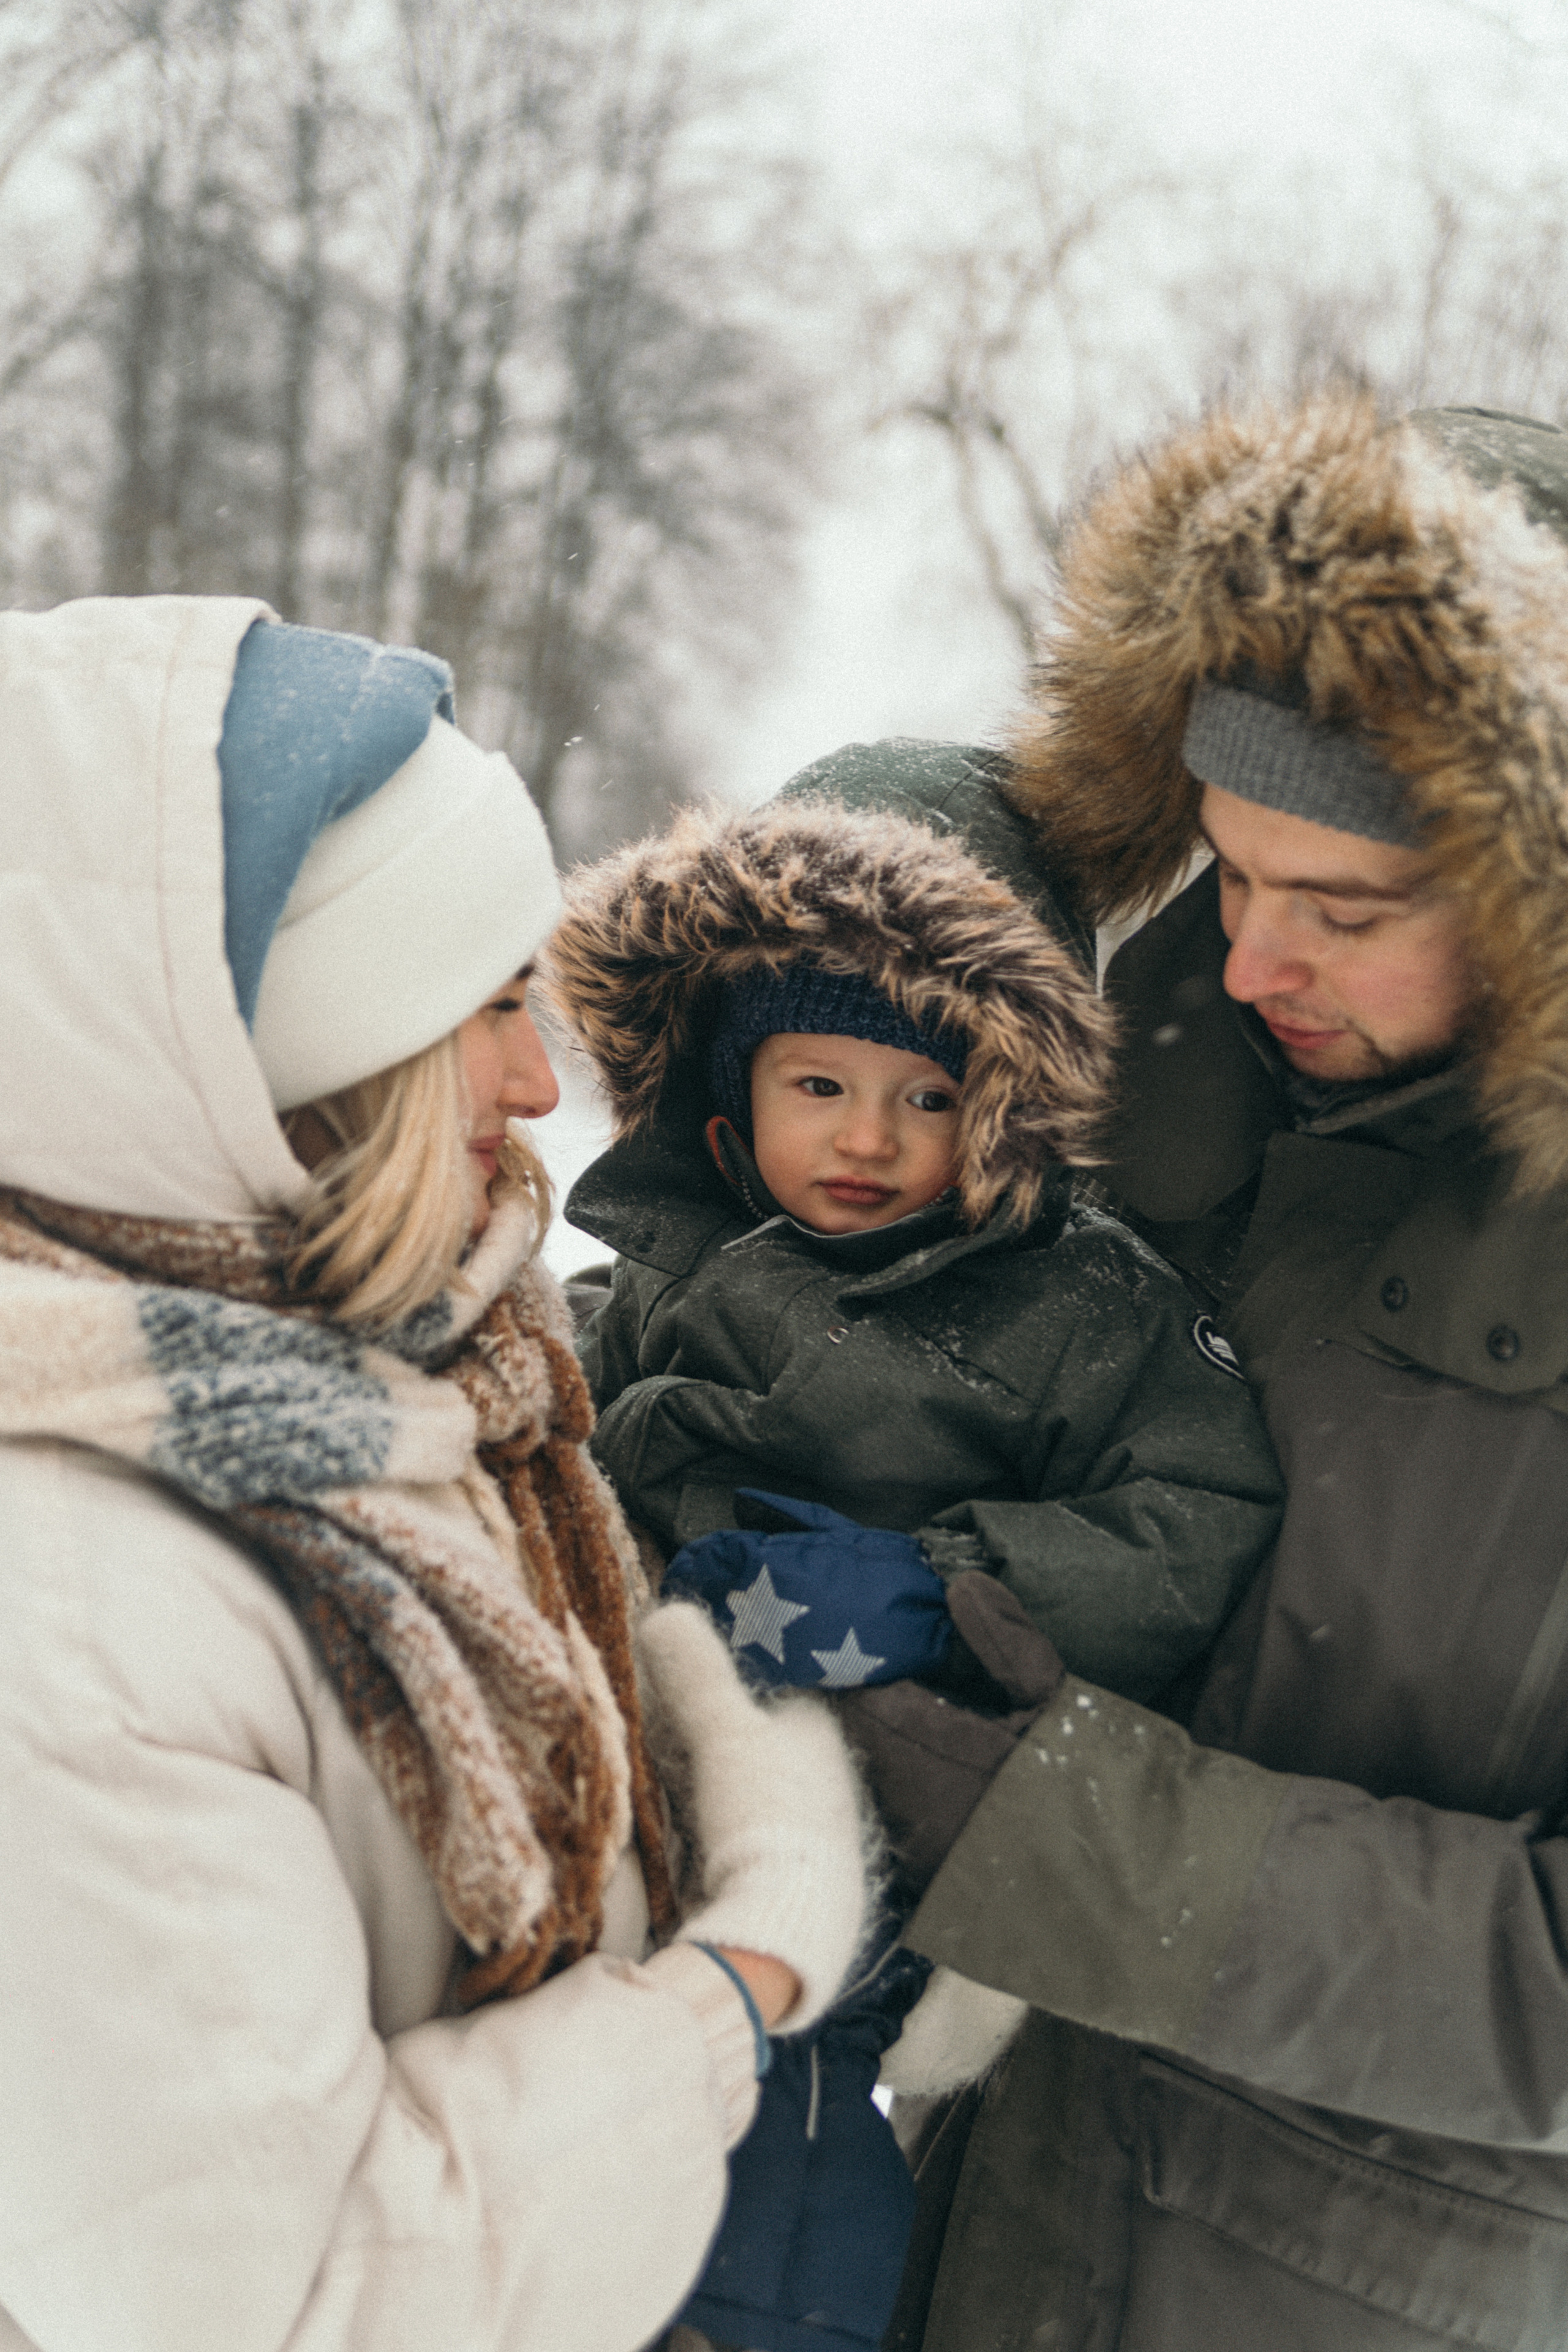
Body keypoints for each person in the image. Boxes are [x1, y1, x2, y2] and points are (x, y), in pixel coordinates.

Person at [0, 597, 873, 2352]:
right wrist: (734, 1984)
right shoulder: (70, 1610)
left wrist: (681, 1726)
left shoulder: (409, 1377)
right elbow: (287, 2303)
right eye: (485, 1008)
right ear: (280, 1062)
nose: (541, 1082)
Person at [796, 397, 1568, 2352]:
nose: (1250, 965)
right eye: (1229, 875)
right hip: (980, 2231)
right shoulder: (1144, 1094)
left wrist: (1077, 1846)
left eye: (1346, 910)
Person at [546, 790, 1283, 2352]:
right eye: (818, 1085)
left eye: (927, 1095)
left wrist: (937, 1584)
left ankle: (770, 2315)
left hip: (888, 1765)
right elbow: (555, 1412)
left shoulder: (1078, 1304)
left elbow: (1198, 1510)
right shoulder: (664, 1259)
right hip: (639, 1753)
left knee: (789, 2058)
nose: (867, 1139)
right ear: (730, 1092)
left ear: (1006, 1104)